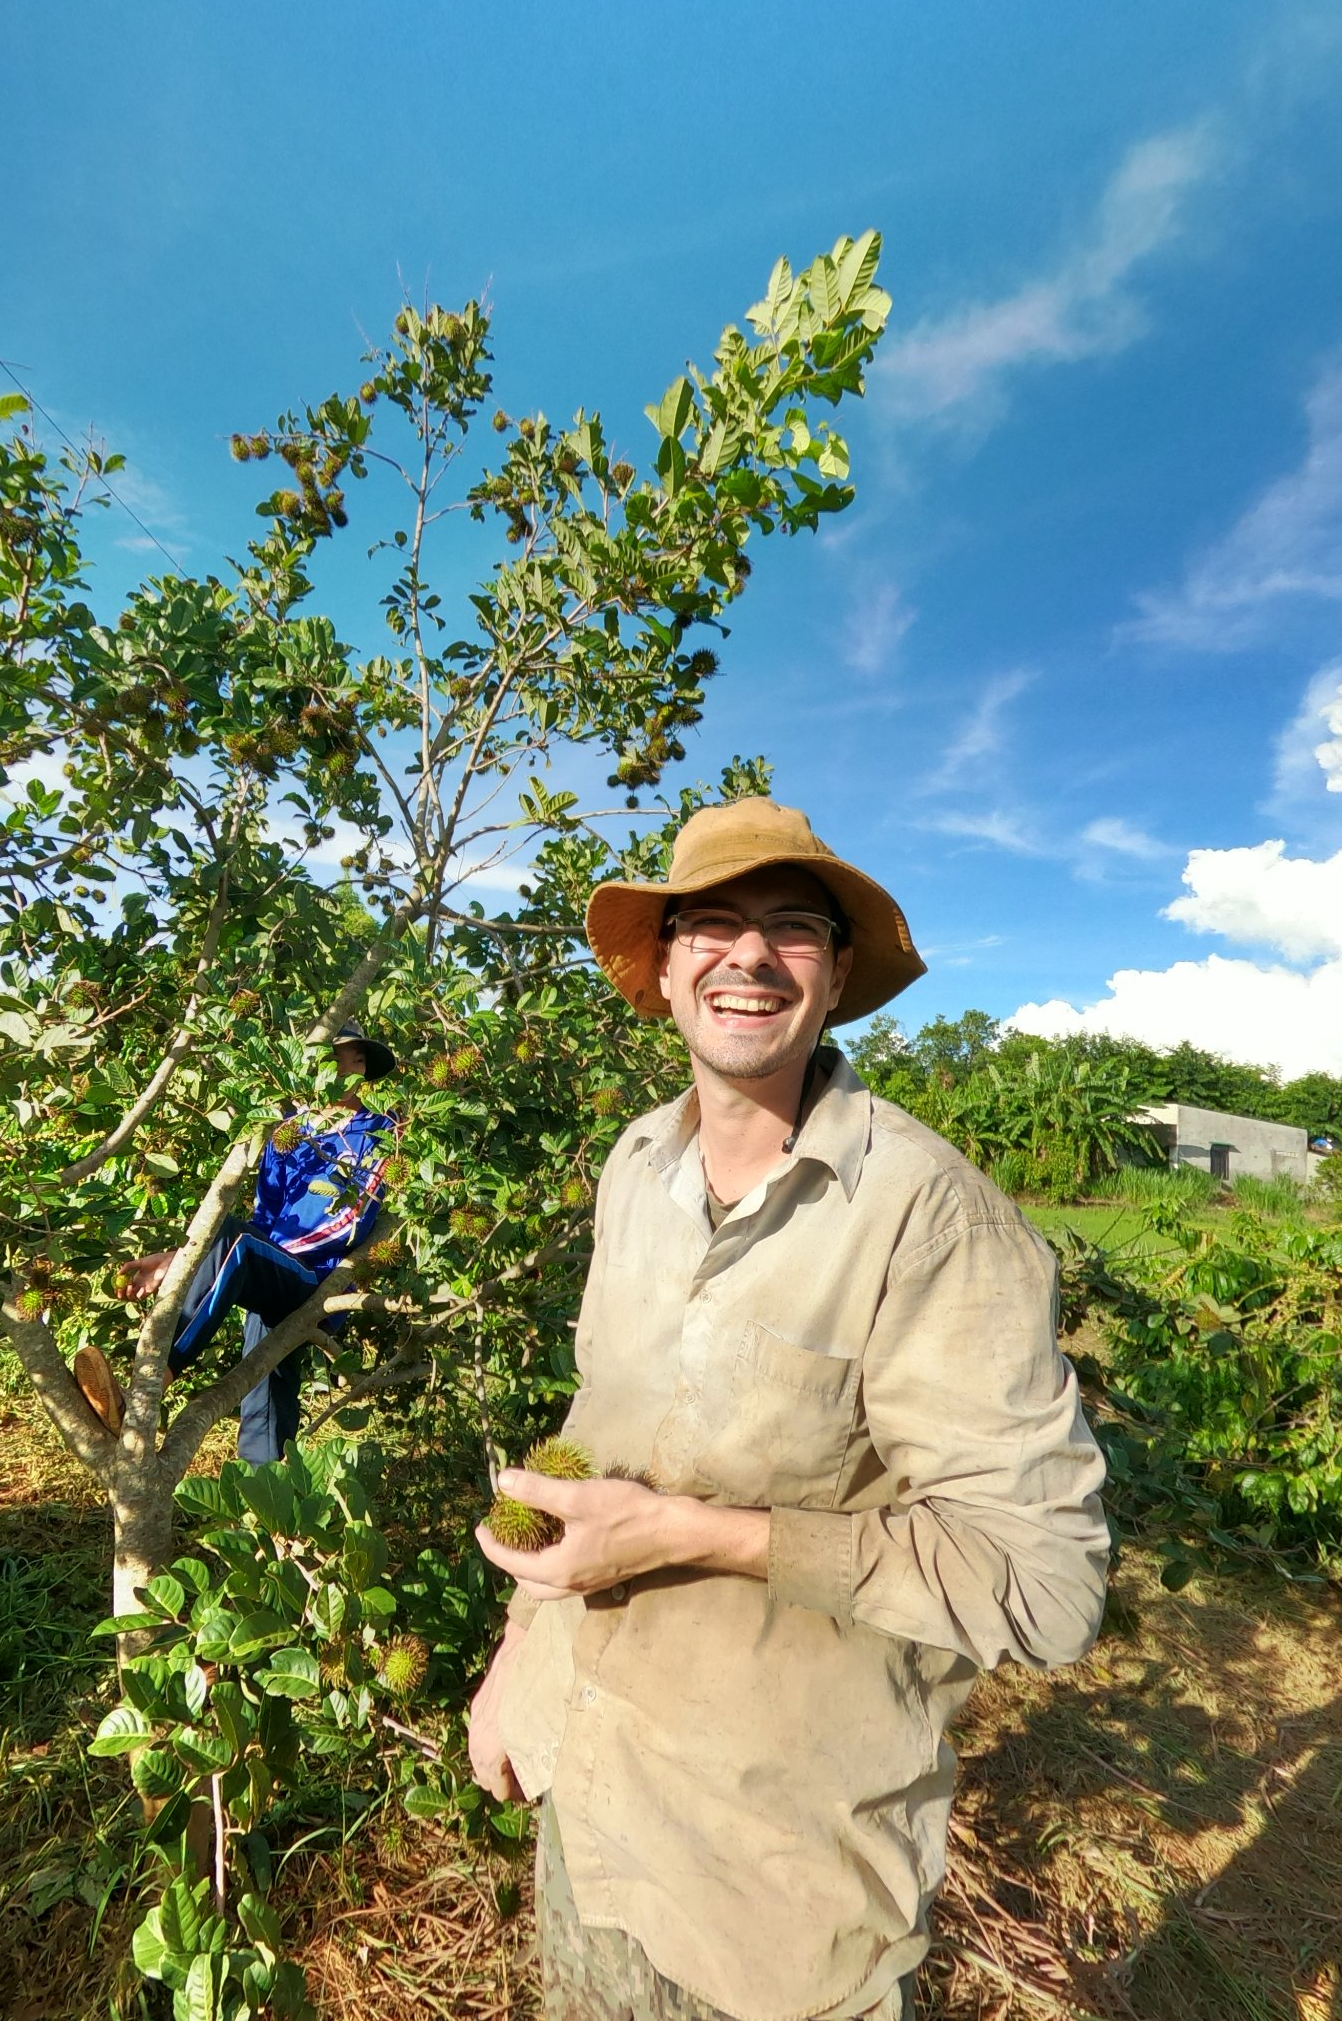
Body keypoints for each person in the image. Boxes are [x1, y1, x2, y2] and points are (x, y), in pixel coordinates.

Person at [469, 796, 1108, 2021]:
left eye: (793, 928)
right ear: (663, 969)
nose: (749, 954)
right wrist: (514, 1659)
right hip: (589, 1805)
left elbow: (1049, 1584)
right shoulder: (634, 1169)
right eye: (711, 921)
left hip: (771, 1887)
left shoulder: (929, 1215)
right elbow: (596, 1441)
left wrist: (693, 1534)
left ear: (838, 971)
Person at [71, 1021, 395, 1464]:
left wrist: (256, 1250)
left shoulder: (379, 1132)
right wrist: (180, 1257)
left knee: (237, 1242)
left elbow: (349, 1222)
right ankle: (271, 1506)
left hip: (317, 1278)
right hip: (269, 1265)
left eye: (333, 1056)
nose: (321, 1067)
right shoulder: (290, 1131)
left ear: (359, 1061)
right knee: (264, 1397)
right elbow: (263, 1214)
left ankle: (150, 1384)